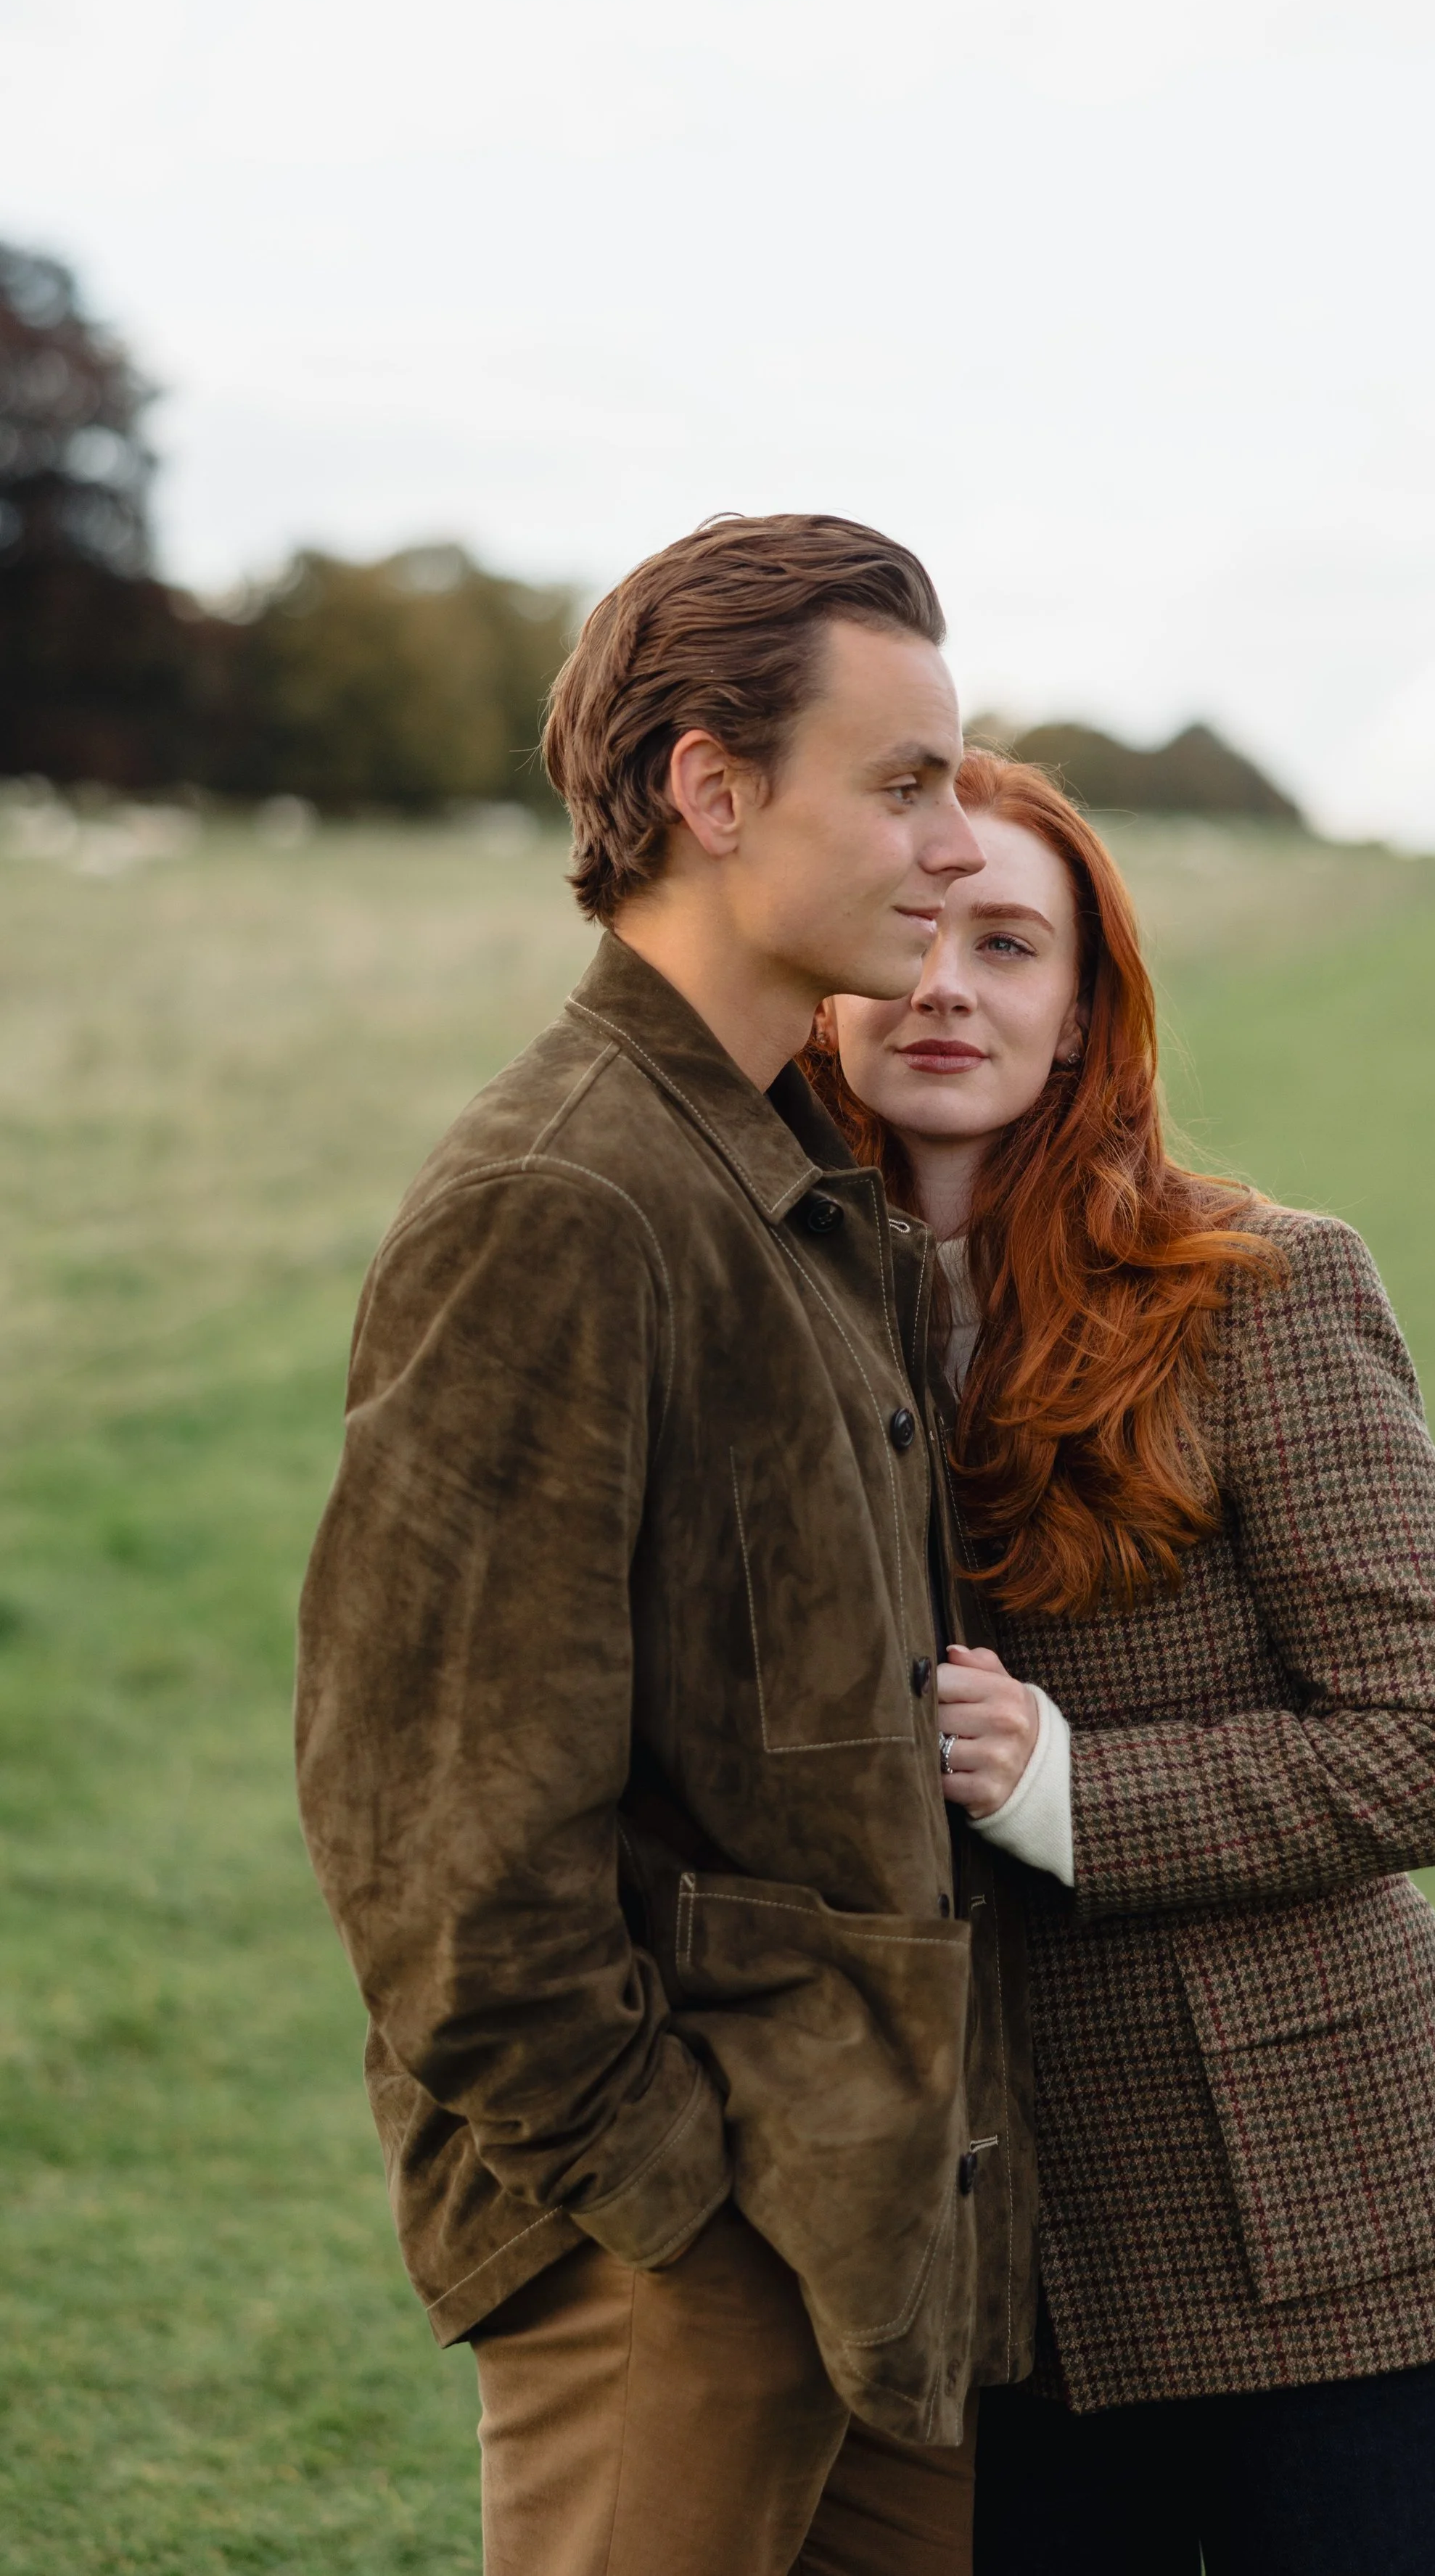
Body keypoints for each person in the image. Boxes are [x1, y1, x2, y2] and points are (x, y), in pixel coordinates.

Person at [295, 519, 1037, 2576]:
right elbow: (434, 1830)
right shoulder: (562, 1197)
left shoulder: (788, 1177)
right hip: (671, 2248)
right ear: (713, 791)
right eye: (902, 783)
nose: (960, 842)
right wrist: (664, 2192)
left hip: (864, 2212)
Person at [810, 749, 1435, 2576]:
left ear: (1078, 1016)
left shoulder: (1259, 1294)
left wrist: (1066, 1788)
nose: (943, 984)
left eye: (1006, 944)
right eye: (908, 930)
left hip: (1322, 2225)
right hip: (988, 2262)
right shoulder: (760, 1311)